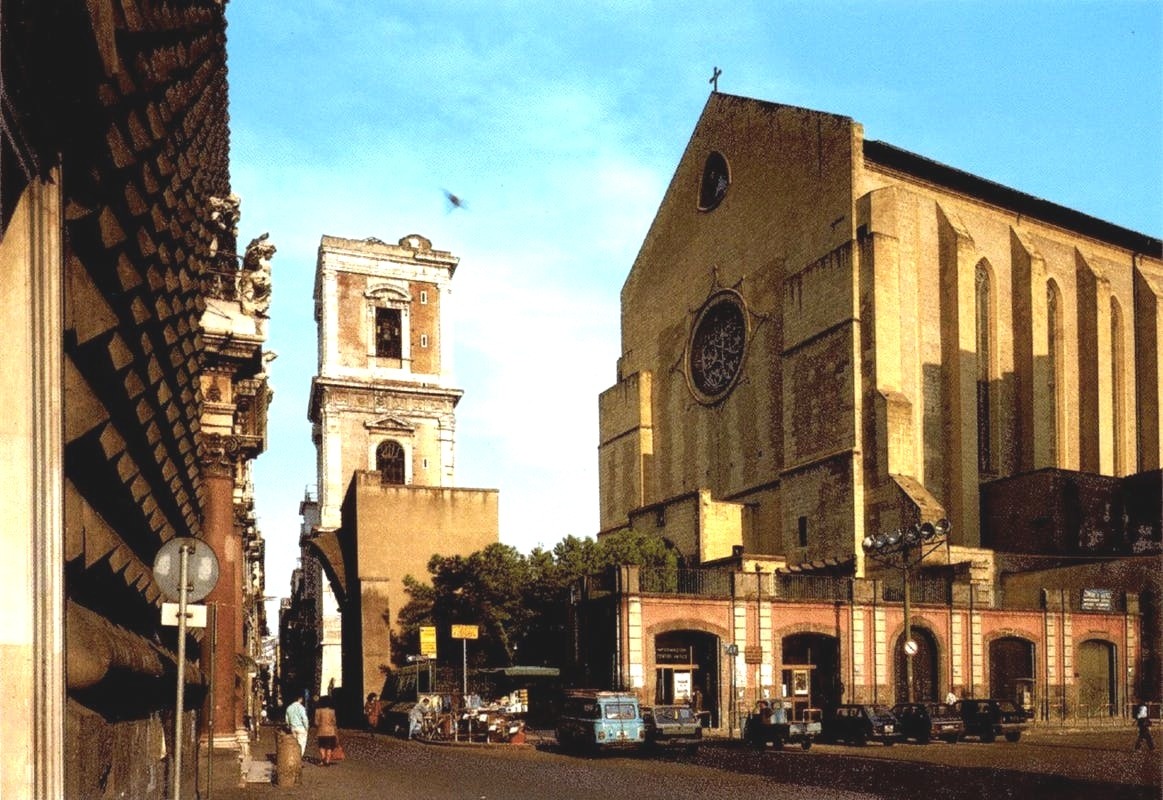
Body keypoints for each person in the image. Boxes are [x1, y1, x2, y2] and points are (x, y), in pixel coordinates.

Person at [314, 695, 339, 766]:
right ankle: (327, 761)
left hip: (321, 731)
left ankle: (323, 758)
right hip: (331, 732)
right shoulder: (332, 711)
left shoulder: (318, 711)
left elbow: (316, 722)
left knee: (321, 746)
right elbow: (334, 722)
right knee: (329, 747)